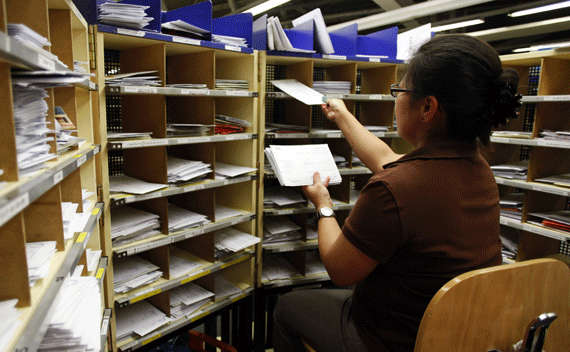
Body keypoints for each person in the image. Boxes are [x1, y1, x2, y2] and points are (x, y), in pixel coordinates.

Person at [272, 34, 522, 352]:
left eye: (400, 91)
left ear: (428, 107)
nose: (396, 99)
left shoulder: (394, 190)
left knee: (286, 309)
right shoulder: (476, 169)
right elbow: (386, 160)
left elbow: (339, 269)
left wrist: (323, 205)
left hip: (391, 340)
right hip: (456, 334)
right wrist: (343, 116)